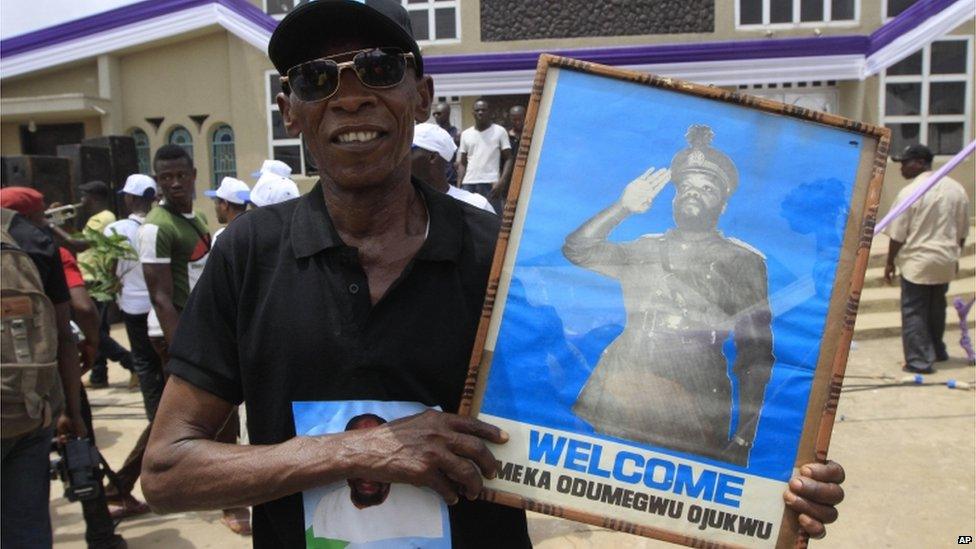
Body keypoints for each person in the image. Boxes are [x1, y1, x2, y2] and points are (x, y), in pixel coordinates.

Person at [141, 2, 845, 546]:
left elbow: (604, 432)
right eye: (317, 79)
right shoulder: (247, 255)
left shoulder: (497, 256)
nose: (350, 97)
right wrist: (359, 450)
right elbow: (167, 470)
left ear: (422, 96)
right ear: (291, 110)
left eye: (380, 69)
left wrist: (764, 486)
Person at [563, 125, 774, 467]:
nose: (694, 193)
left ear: (722, 205)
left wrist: (744, 435)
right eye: (686, 187)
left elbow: (756, 357)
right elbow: (577, 250)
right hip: (625, 386)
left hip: (696, 394)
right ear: (674, 198)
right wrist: (623, 207)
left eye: (707, 189)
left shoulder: (744, 262)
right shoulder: (644, 248)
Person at [137, 145, 251, 535]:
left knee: (177, 420)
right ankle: (232, 502)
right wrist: (185, 356)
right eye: (165, 177)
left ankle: (119, 484)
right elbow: (161, 297)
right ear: (157, 180)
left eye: (180, 175)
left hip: (201, 330)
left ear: (193, 174)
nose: (174, 183)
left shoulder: (195, 218)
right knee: (212, 421)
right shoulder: (157, 226)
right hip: (176, 334)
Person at [0, 188, 105, 548]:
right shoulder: (37, 242)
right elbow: (63, 336)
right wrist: (70, 411)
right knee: (28, 526)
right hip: (33, 409)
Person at [883, 144, 970, 374]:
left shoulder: (911, 191)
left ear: (920, 163)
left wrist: (890, 262)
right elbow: (962, 232)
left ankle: (919, 361)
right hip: (945, 260)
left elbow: (897, 235)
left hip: (918, 262)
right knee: (936, 307)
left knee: (914, 310)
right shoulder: (957, 189)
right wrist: (955, 256)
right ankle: (937, 351)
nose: (901, 167)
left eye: (905, 162)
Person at [310, 414, 445, 545]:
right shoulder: (327, 507)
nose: (368, 472)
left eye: (379, 456)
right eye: (357, 456)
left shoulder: (424, 506)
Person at [412, 122, 495, 213]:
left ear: (432, 157)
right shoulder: (400, 208)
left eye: (409, 150)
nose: (400, 158)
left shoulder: (477, 206)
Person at [457, 98, 513, 199]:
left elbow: (508, 158)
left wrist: (502, 182)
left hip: (490, 183)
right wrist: (459, 185)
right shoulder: (465, 134)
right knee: (469, 215)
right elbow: (462, 163)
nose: (480, 112)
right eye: (477, 110)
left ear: (490, 112)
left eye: (483, 110)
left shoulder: (500, 131)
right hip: (468, 184)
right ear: (473, 113)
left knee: (491, 214)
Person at [489, 104, 526, 212]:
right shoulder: (504, 137)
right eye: (514, 119)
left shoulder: (532, 136)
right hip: (507, 182)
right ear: (510, 119)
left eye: (520, 119)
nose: (517, 122)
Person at [205, 176, 251, 243]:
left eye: (216, 202)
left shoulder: (221, 237)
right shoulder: (254, 233)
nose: (215, 207)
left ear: (225, 204)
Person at [432, 101, 460, 186]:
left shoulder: (456, 134)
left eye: (439, 113)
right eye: (434, 114)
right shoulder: (433, 133)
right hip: (436, 178)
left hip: (452, 178)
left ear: (447, 114)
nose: (436, 116)